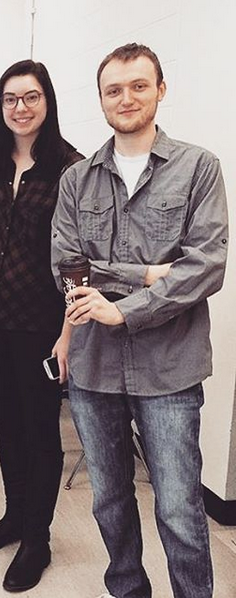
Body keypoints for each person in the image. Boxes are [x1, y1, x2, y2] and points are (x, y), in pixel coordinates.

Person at [51, 43, 228, 598]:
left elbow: (206, 267)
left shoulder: (199, 168)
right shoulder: (77, 180)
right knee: (109, 499)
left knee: (179, 506)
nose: (125, 98)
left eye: (138, 86)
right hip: (93, 368)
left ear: (160, 89)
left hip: (170, 370)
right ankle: (128, 589)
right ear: (101, 98)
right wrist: (151, 273)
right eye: (113, 89)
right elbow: (66, 263)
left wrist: (120, 306)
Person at [0, 60, 82, 592]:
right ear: (0, 106)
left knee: (40, 433)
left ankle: (38, 537)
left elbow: (80, 259)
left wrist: (68, 333)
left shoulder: (70, 168)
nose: (20, 107)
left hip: (39, 324)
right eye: (10, 99)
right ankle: (15, 516)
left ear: (47, 102)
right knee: (6, 427)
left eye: (31, 97)